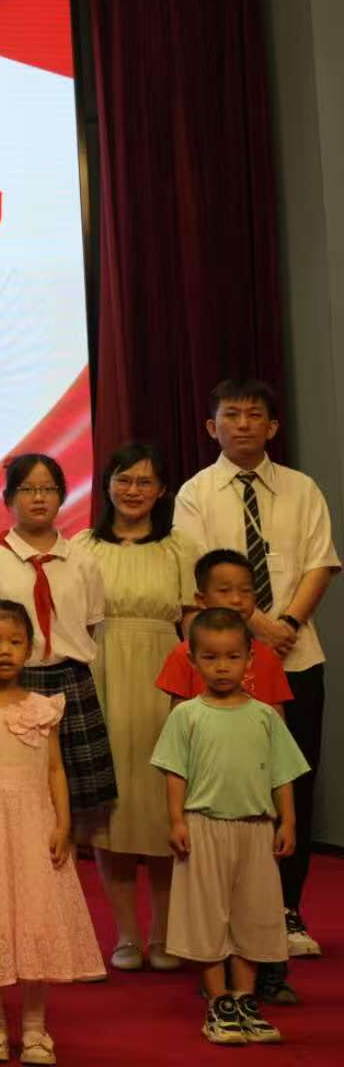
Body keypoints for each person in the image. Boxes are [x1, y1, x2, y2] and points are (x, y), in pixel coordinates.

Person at [174, 377, 336, 968]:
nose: (243, 424)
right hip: (226, 664)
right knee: (228, 787)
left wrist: (287, 624)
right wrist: (260, 626)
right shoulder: (195, 493)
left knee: (293, 782)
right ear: (211, 426)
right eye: (232, 414)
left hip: (298, 657)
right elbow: (198, 577)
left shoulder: (302, 488)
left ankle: (288, 910)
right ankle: (226, 915)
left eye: (254, 415)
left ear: (272, 426)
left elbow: (320, 564)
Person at [0, 599, 105, 1066]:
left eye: (15, 642)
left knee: (33, 924)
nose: (5, 650)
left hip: (33, 829)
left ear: (30, 649)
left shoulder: (43, 708)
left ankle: (34, 1028)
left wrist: (63, 824)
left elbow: (54, 770)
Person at [152, 607, 309, 1046]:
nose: (222, 667)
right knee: (207, 914)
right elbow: (174, 773)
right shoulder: (186, 715)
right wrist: (177, 821)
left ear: (249, 659)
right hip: (203, 827)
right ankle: (218, 1001)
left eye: (232, 657)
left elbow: (282, 773)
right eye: (211, 657)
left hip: (256, 829)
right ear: (193, 661)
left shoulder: (264, 716)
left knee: (254, 913)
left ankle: (244, 999)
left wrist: (288, 820)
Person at [71, 443, 198, 973]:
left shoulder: (179, 547)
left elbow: (191, 620)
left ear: (162, 490)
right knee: (113, 814)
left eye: (145, 481)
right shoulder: (81, 546)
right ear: (107, 485)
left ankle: (165, 934)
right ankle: (126, 934)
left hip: (164, 677)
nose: (133, 490)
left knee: (161, 807)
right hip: (100, 674)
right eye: (124, 479)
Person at [0, 455, 113, 825]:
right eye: (27, 489)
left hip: (71, 681)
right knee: (19, 793)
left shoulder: (83, 560)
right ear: (8, 499)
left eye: (48, 489)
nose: (39, 497)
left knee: (74, 801)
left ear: (61, 496)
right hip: (14, 682)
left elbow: (88, 627)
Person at [156, 552, 294, 710]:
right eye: (224, 590)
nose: (236, 599)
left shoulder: (268, 657)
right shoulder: (184, 654)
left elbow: (276, 718)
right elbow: (178, 717)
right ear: (201, 599)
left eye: (245, 590)